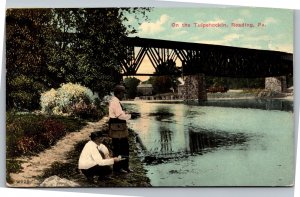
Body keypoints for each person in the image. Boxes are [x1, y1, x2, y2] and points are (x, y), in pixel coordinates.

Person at [108, 84, 137, 173]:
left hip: (119, 128)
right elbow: (120, 116)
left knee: (124, 147)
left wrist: (126, 113)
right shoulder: (115, 102)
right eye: (123, 93)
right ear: (119, 93)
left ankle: (125, 167)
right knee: (119, 148)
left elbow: (119, 113)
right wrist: (131, 116)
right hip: (117, 128)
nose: (124, 95)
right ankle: (118, 168)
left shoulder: (115, 101)